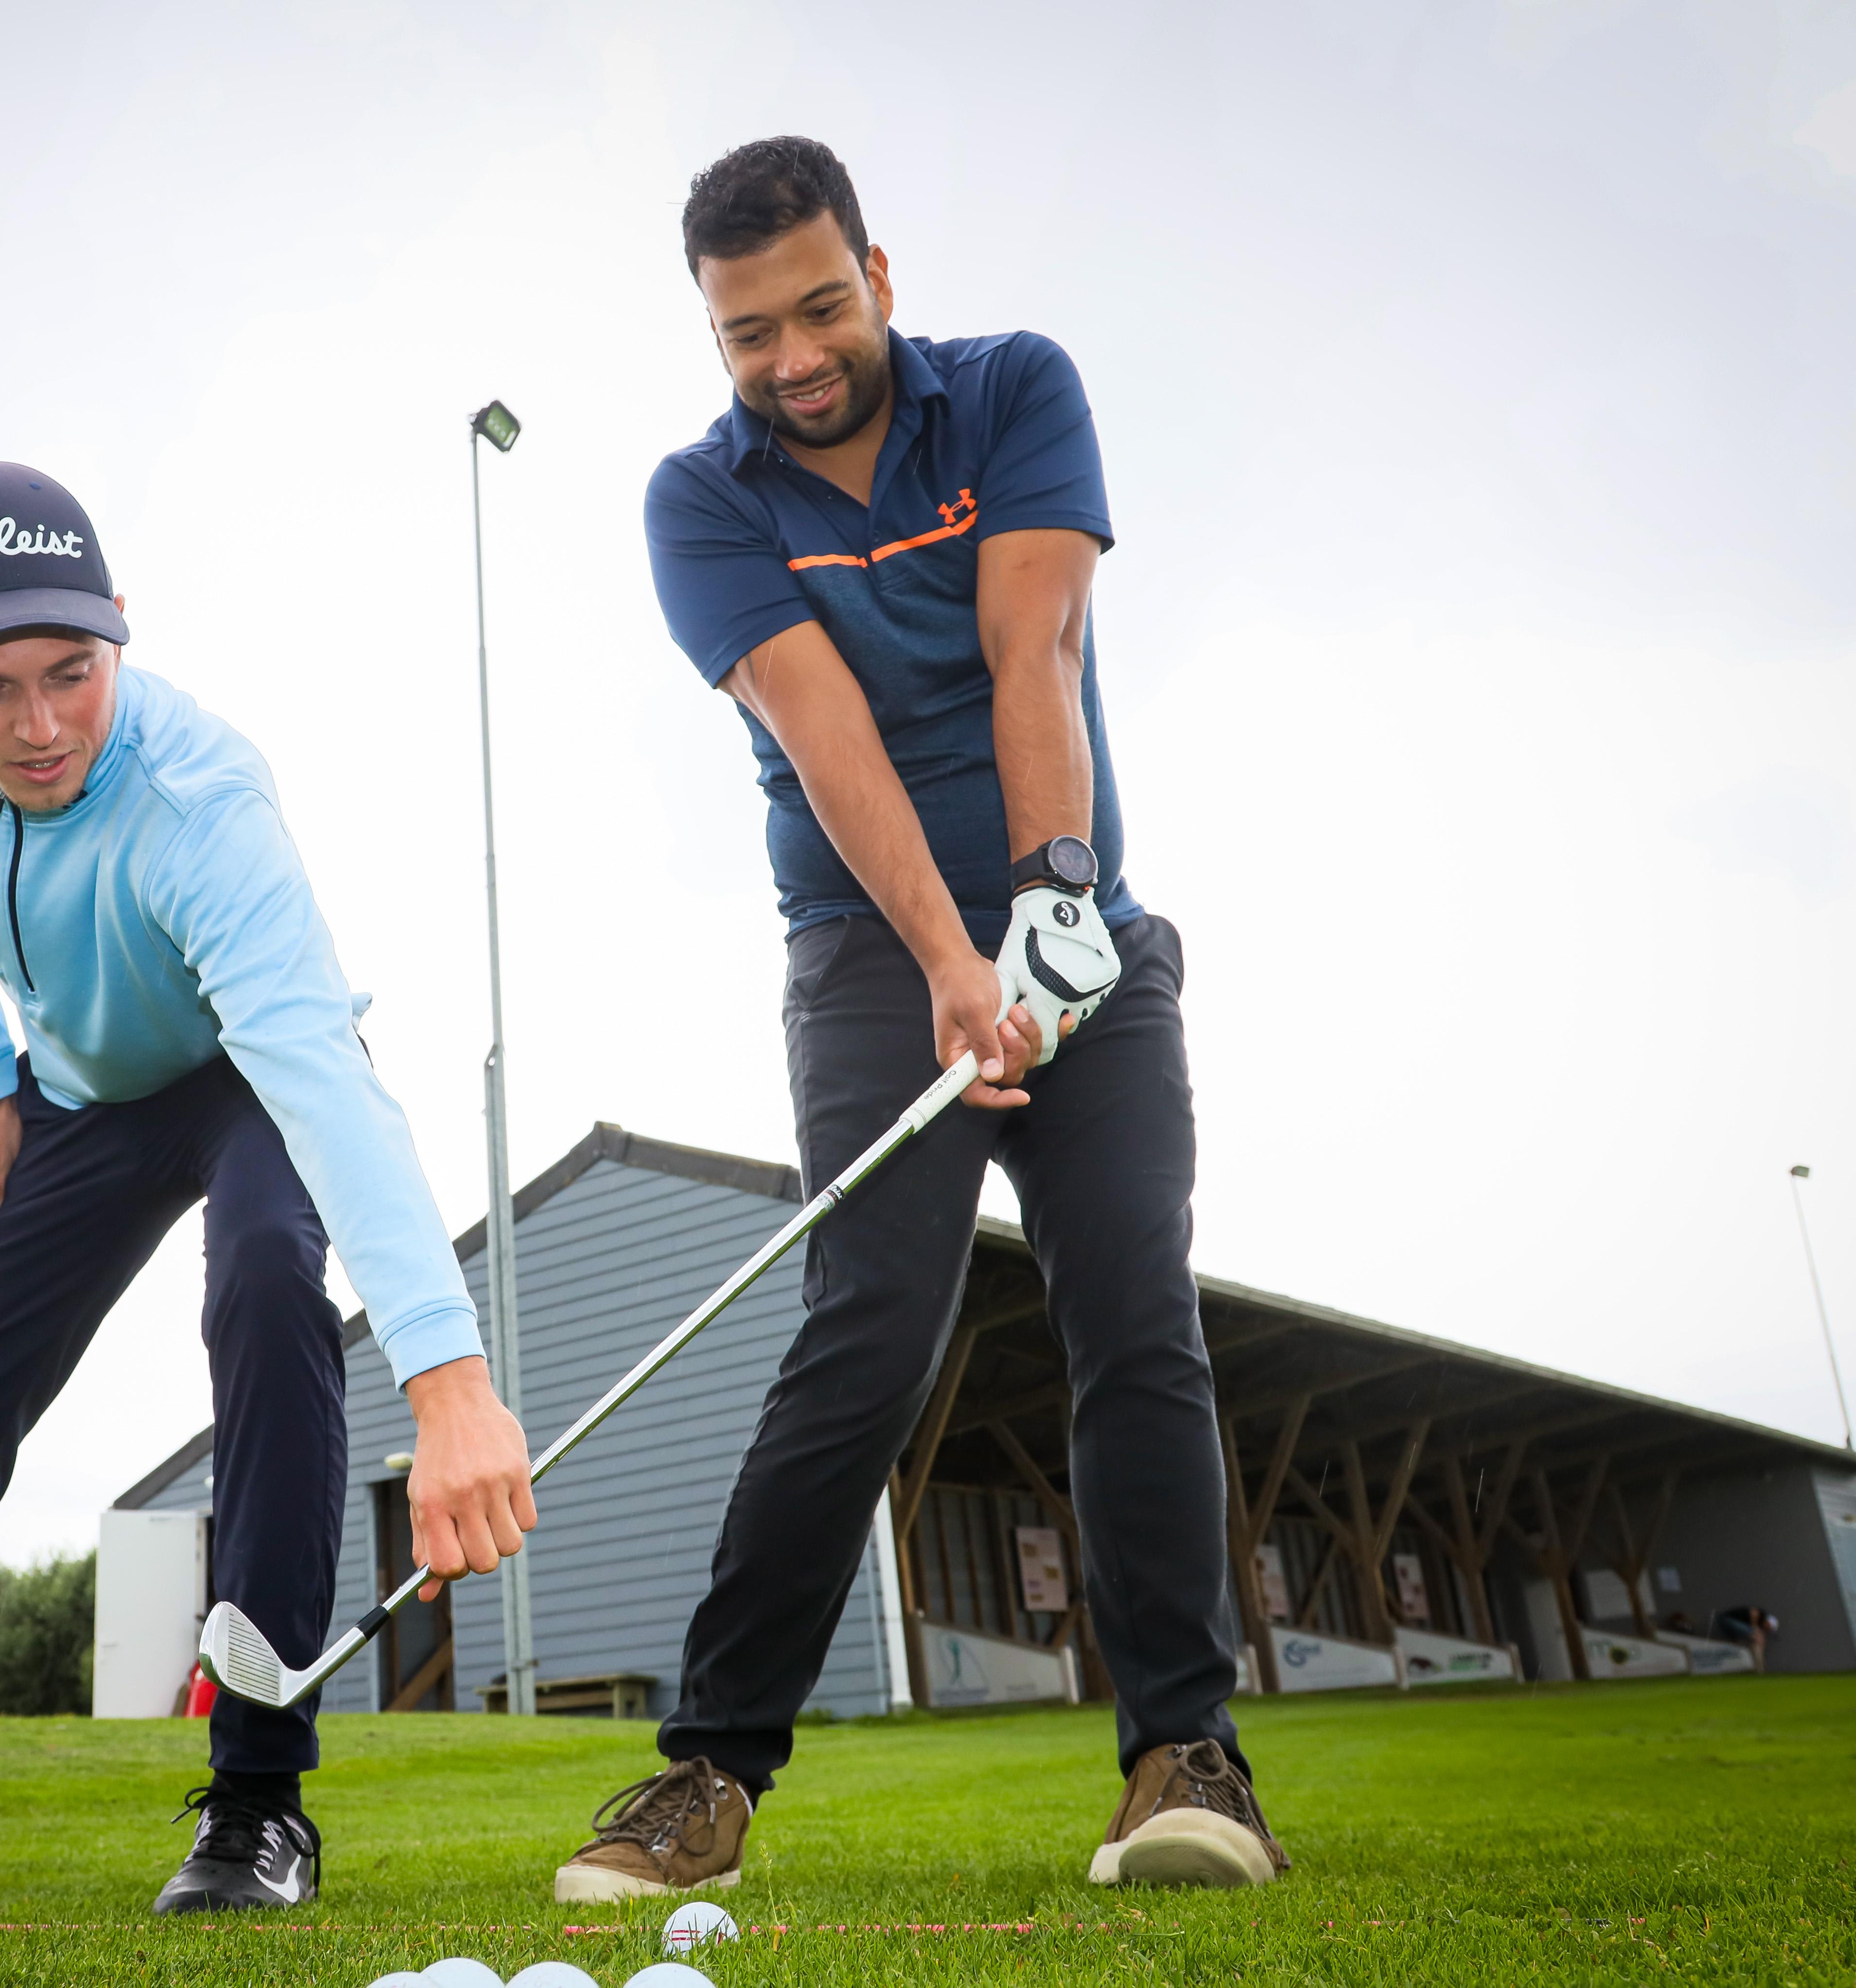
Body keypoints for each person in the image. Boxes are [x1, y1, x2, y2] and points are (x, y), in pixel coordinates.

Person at [550, 139, 1285, 1902]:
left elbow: (1033, 648)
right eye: (747, 335)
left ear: (877, 268)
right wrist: (960, 963)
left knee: (1136, 1321)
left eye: (818, 307)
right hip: (876, 955)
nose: (792, 356)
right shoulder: (697, 500)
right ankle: (708, 1774)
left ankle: (1189, 1762)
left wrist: (1045, 907)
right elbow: (825, 736)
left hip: (1080, 926)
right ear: (709, 334)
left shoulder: (1017, 389)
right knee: (870, 1331)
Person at [0, 457, 537, 1914]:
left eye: (72, 673)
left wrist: (449, 1374)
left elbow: (323, 1080)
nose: (38, 729)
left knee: (268, 1280)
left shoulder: (202, 799)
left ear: (121, 632)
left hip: (246, 1077)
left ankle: (260, 1805)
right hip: (74, 1105)